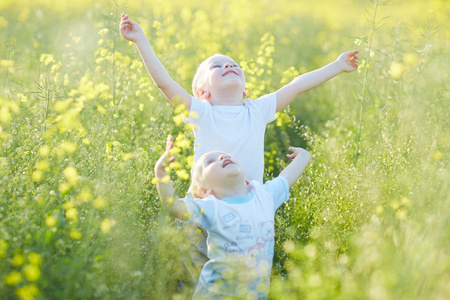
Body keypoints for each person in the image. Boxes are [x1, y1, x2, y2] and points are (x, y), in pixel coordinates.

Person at [119, 13, 359, 183]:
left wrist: (337, 66)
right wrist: (141, 41)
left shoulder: (257, 110)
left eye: (234, 64)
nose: (228, 65)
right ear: (202, 94)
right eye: (217, 66)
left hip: (248, 205)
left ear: (245, 90)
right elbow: (165, 84)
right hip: (206, 204)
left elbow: (296, 87)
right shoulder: (202, 113)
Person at [154, 135, 311, 299]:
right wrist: (160, 171)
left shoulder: (264, 196)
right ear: (205, 191)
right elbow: (174, 207)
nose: (223, 156)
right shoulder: (212, 206)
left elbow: (285, 179)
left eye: (227, 155)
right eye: (210, 162)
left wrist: (303, 157)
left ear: (244, 178)